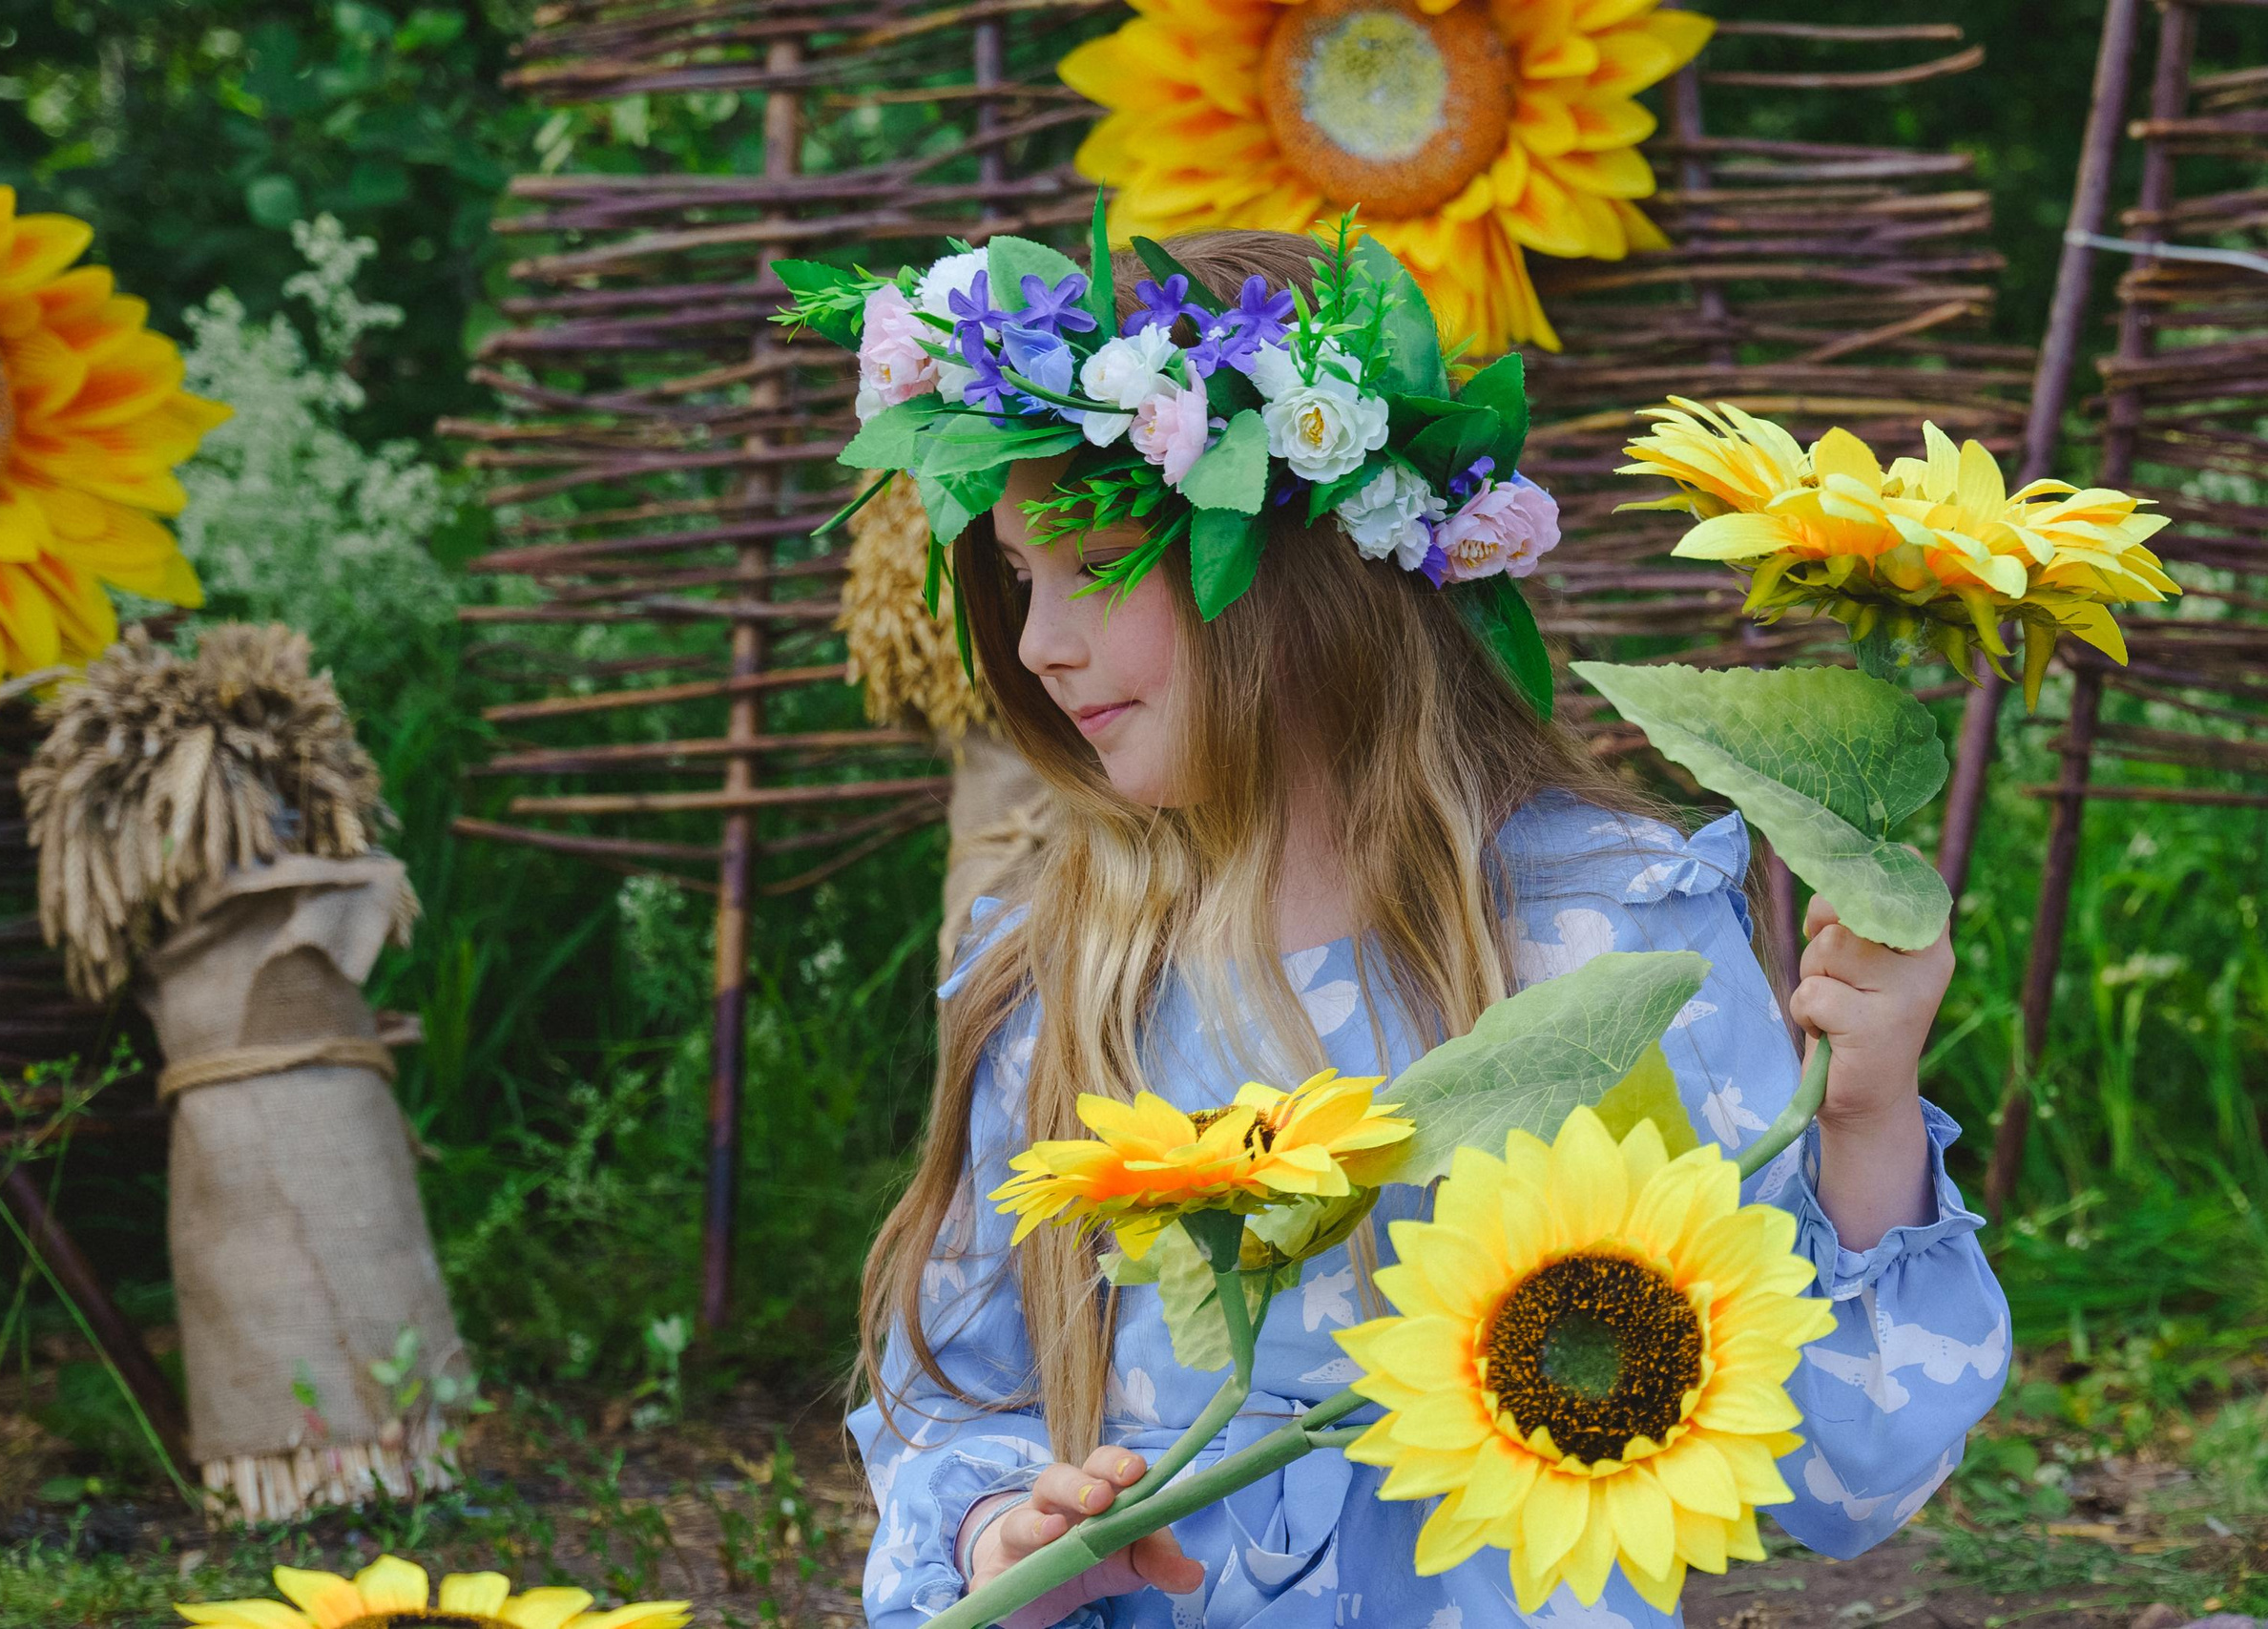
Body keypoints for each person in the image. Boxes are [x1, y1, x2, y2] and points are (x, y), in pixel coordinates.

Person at [843, 230, 2009, 1629]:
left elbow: (1838, 1472)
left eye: (1090, 563)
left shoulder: (1604, 939)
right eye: (1020, 582)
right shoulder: (1054, 970)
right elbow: (958, 1401)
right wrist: (996, 1536)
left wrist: (1868, 1117)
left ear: (1299, 562)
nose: (1034, 646)